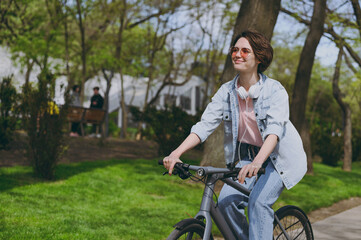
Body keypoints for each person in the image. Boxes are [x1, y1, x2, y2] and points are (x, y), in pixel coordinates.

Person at [162, 29, 307, 240]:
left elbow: (274, 131)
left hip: (278, 159)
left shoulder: (275, 91)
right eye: (235, 49)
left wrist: (258, 163)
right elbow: (205, 125)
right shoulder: (226, 92)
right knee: (226, 203)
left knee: (258, 203)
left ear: (259, 57)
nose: (237, 54)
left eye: (245, 51)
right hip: (247, 157)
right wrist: (176, 153)